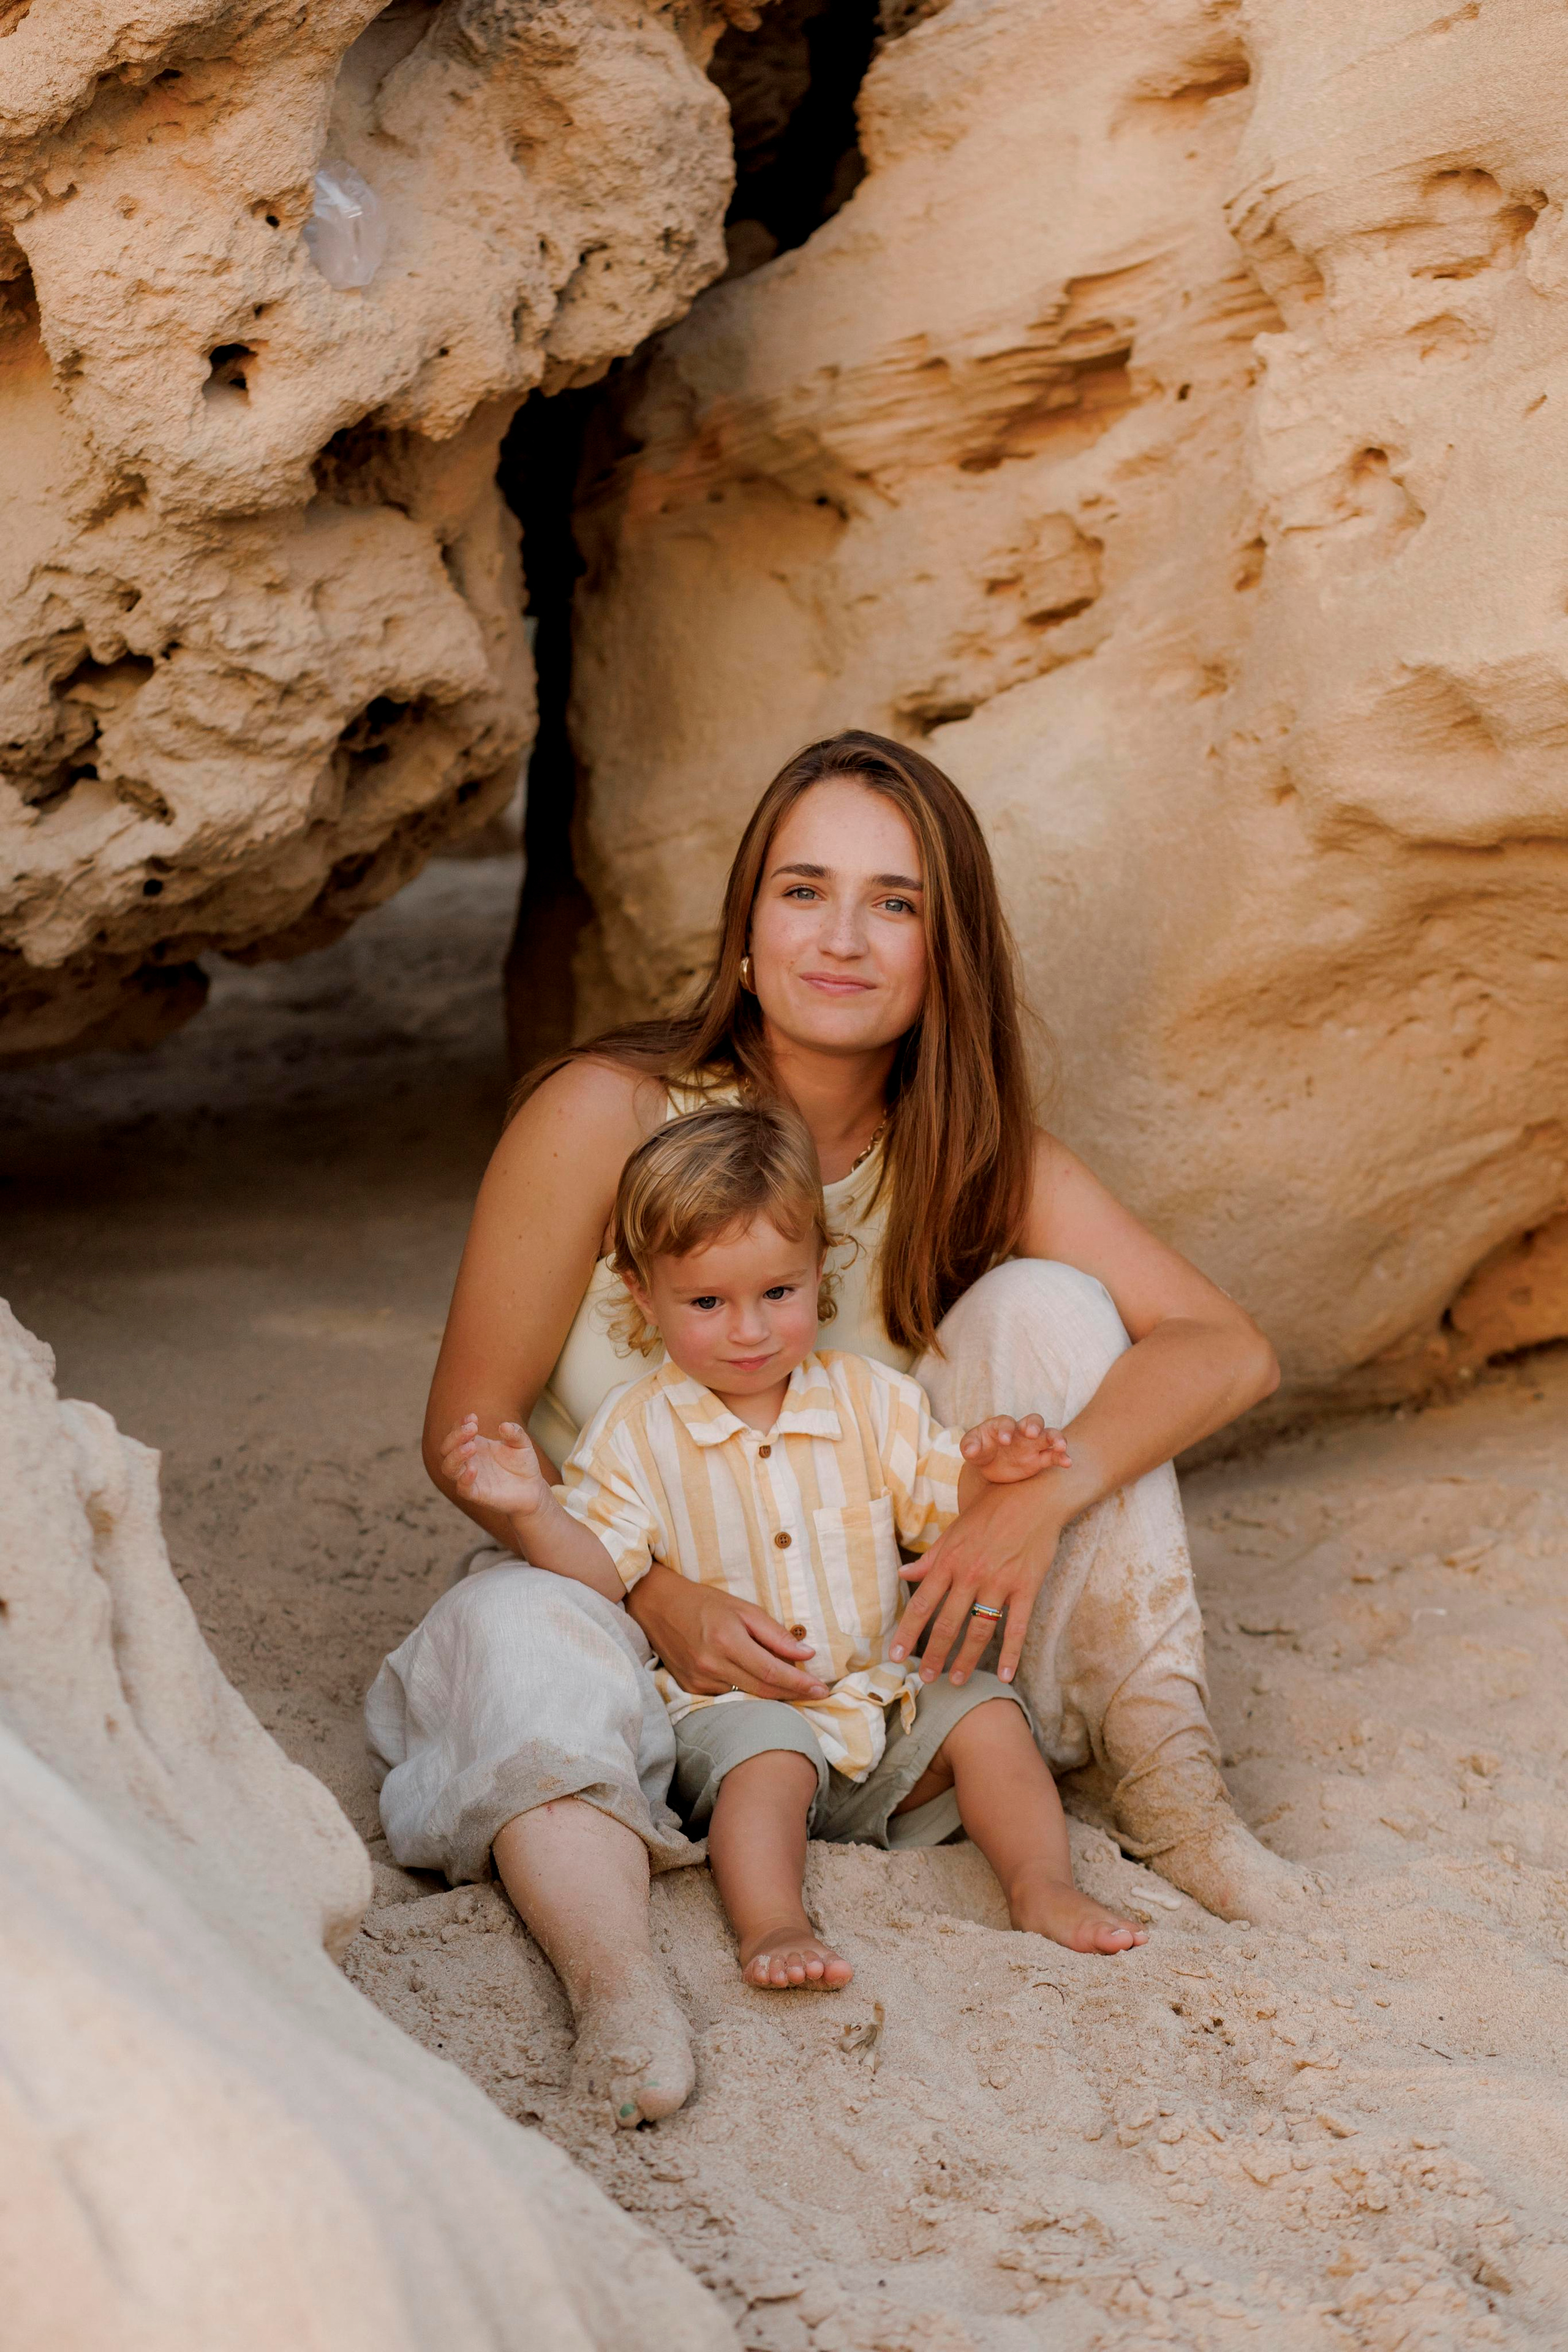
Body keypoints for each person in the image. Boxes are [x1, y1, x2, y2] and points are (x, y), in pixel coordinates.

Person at [366, 727, 1297, 2129]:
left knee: (1051, 1307)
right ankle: (616, 1987)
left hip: (874, 1646)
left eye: (896, 901)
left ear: (945, 950)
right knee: (507, 1641)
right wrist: (654, 1592)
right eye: (803, 891)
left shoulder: (971, 1153)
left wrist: (1029, 1499)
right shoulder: (606, 1112)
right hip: (607, 1598)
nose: (843, 937)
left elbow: (1226, 1345)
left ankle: (1172, 1788)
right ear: (746, 928)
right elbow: (470, 1435)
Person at [436, 1102, 1148, 1993]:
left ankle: (1041, 1885)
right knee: (769, 1756)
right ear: (642, 1296)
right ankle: (773, 1922)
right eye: (707, 1303)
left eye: (779, 1293)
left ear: (822, 1272)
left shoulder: (869, 1400)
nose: (749, 1330)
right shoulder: (634, 1433)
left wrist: (993, 1470)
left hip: (877, 1700)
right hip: (735, 1722)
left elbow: (940, 1500)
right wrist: (534, 1508)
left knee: (985, 1709)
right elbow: (600, 1572)